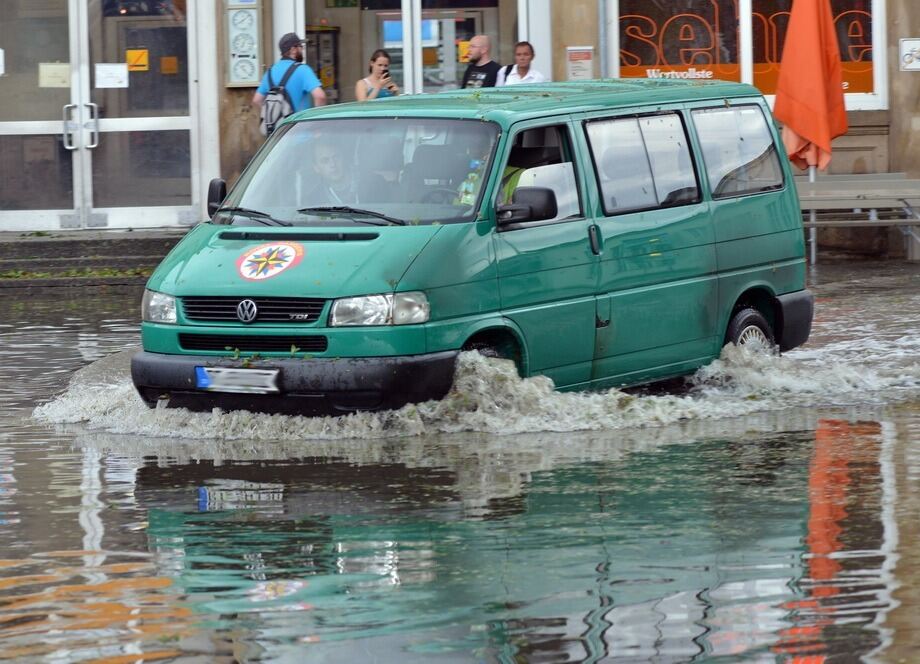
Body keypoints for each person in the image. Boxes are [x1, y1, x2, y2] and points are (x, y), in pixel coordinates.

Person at [252, 33, 326, 115]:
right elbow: (320, 96)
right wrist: (315, 119)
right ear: (293, 49)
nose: (302, 50)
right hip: (299, 126)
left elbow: (257, 100)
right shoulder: (303, 70)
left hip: (280, 127)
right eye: (300, 46)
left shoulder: (269, 72)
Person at [307, 138, 358, 205]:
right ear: (316, 168)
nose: (333, 164)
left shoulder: (369, 184)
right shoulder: (314, 198)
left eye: (336, 157)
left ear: (344, 157)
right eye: (325, 160)